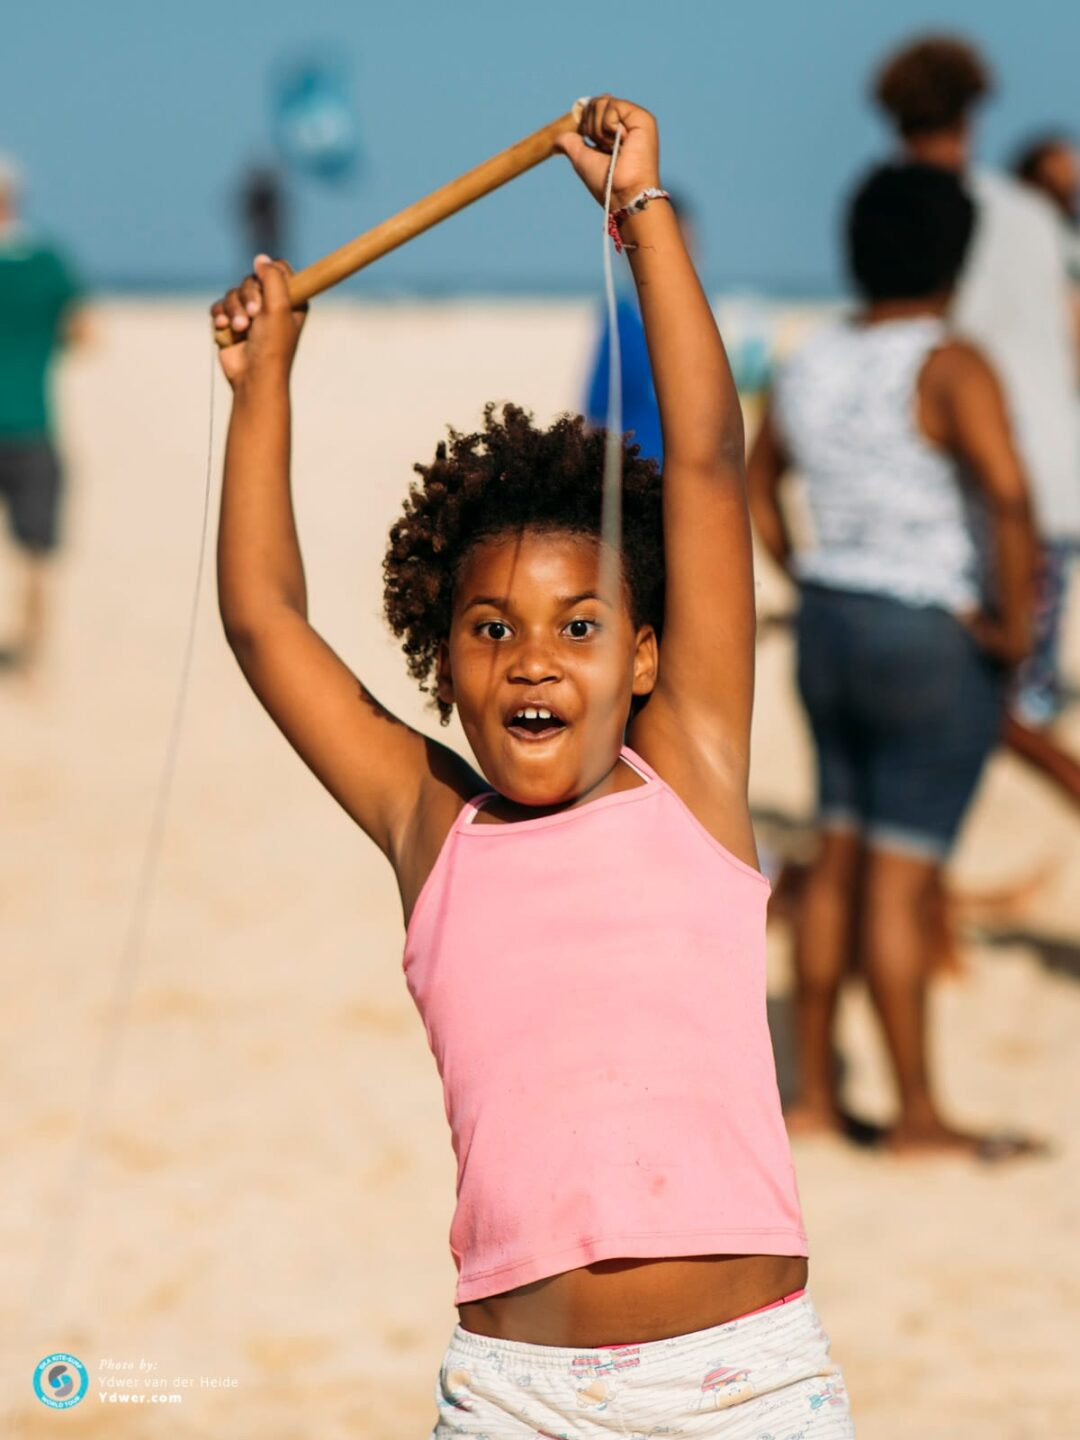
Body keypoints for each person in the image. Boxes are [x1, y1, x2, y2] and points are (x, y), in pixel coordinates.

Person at [211, 96, 855, 1436]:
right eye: (490, 632)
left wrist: (641, 217)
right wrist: (265, 384)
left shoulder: (696, 769)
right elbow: (267, 619)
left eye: (579, 628)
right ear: (440, 666)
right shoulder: (427, 822)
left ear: (644, 657)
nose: (533, 662)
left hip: (749, 1381)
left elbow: (713, 461)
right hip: (515, 1396)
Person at [747, 161, 1047, 1163]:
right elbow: (1008, 498)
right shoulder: (951, 362)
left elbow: (757, 485)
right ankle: (917, 1111)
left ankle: (819, 1097)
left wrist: (805, 570)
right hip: (927, 629)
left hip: (832, 622)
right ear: (957, 257)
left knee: (834, 854)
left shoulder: (812, 355)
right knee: (899, 871)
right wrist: (1012, 627)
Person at [872, 36, 1080, 733]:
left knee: (976, 709)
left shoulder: (909, 216)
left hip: (983, 486)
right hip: (1052, 469)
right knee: (1024, 697)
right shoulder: (1033, 214)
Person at [0, 152, 88, 673]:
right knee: (36, 550)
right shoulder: (48, 262)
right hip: (33, 421)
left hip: (29, 423)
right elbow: (83, 332)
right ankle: (32, 657)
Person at [582, 192, 692, 468]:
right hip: (633, 474)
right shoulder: (620, 318)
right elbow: (596, 413)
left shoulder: (703, 320)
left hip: (687, 476)